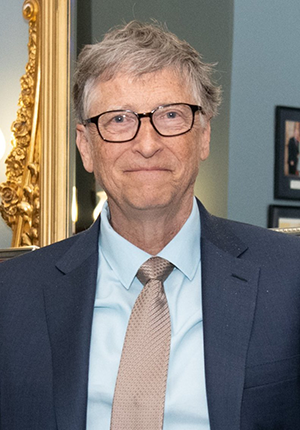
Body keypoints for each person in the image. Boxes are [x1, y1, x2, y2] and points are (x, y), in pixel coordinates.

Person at [0, 21, 300, 430]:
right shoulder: (12, 295)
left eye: (171, 115)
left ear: (204, 135)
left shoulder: (290, 275)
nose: (146, 143)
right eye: (119, 119)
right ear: (86, 146)